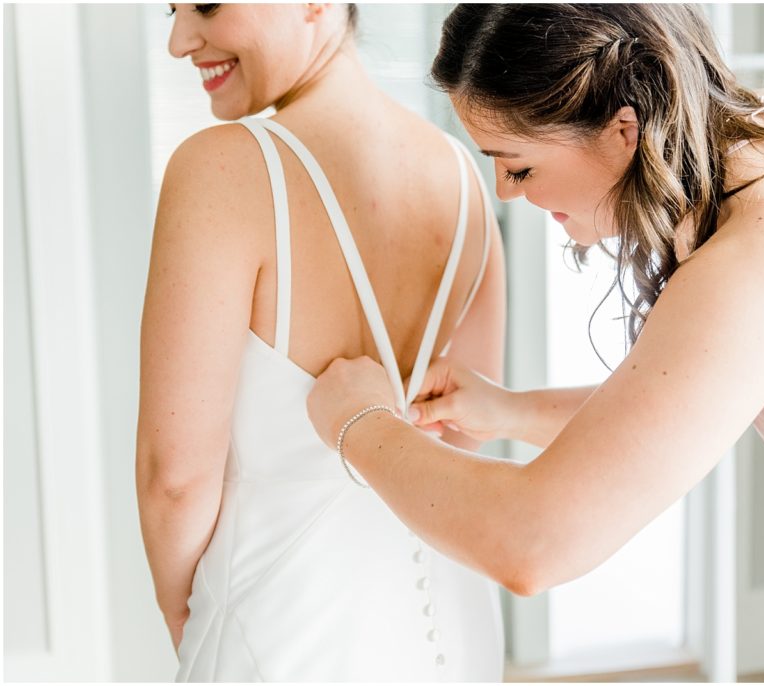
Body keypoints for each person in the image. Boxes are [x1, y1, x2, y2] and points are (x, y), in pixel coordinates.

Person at [305, 4, 764, 681]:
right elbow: (681, 401)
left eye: (518, 164)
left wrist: (357, 423)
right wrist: (506, 411)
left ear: (623, 129)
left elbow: (533, 543)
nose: (505, 193)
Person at [136, 3, 507, 681]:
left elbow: (175, 480)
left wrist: (184, 616)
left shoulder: (220, 171)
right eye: (174, 9)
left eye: (206, 5)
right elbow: (464, 429)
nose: (178, 40)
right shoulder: (462, 175)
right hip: (446, 627)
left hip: (281, 631)